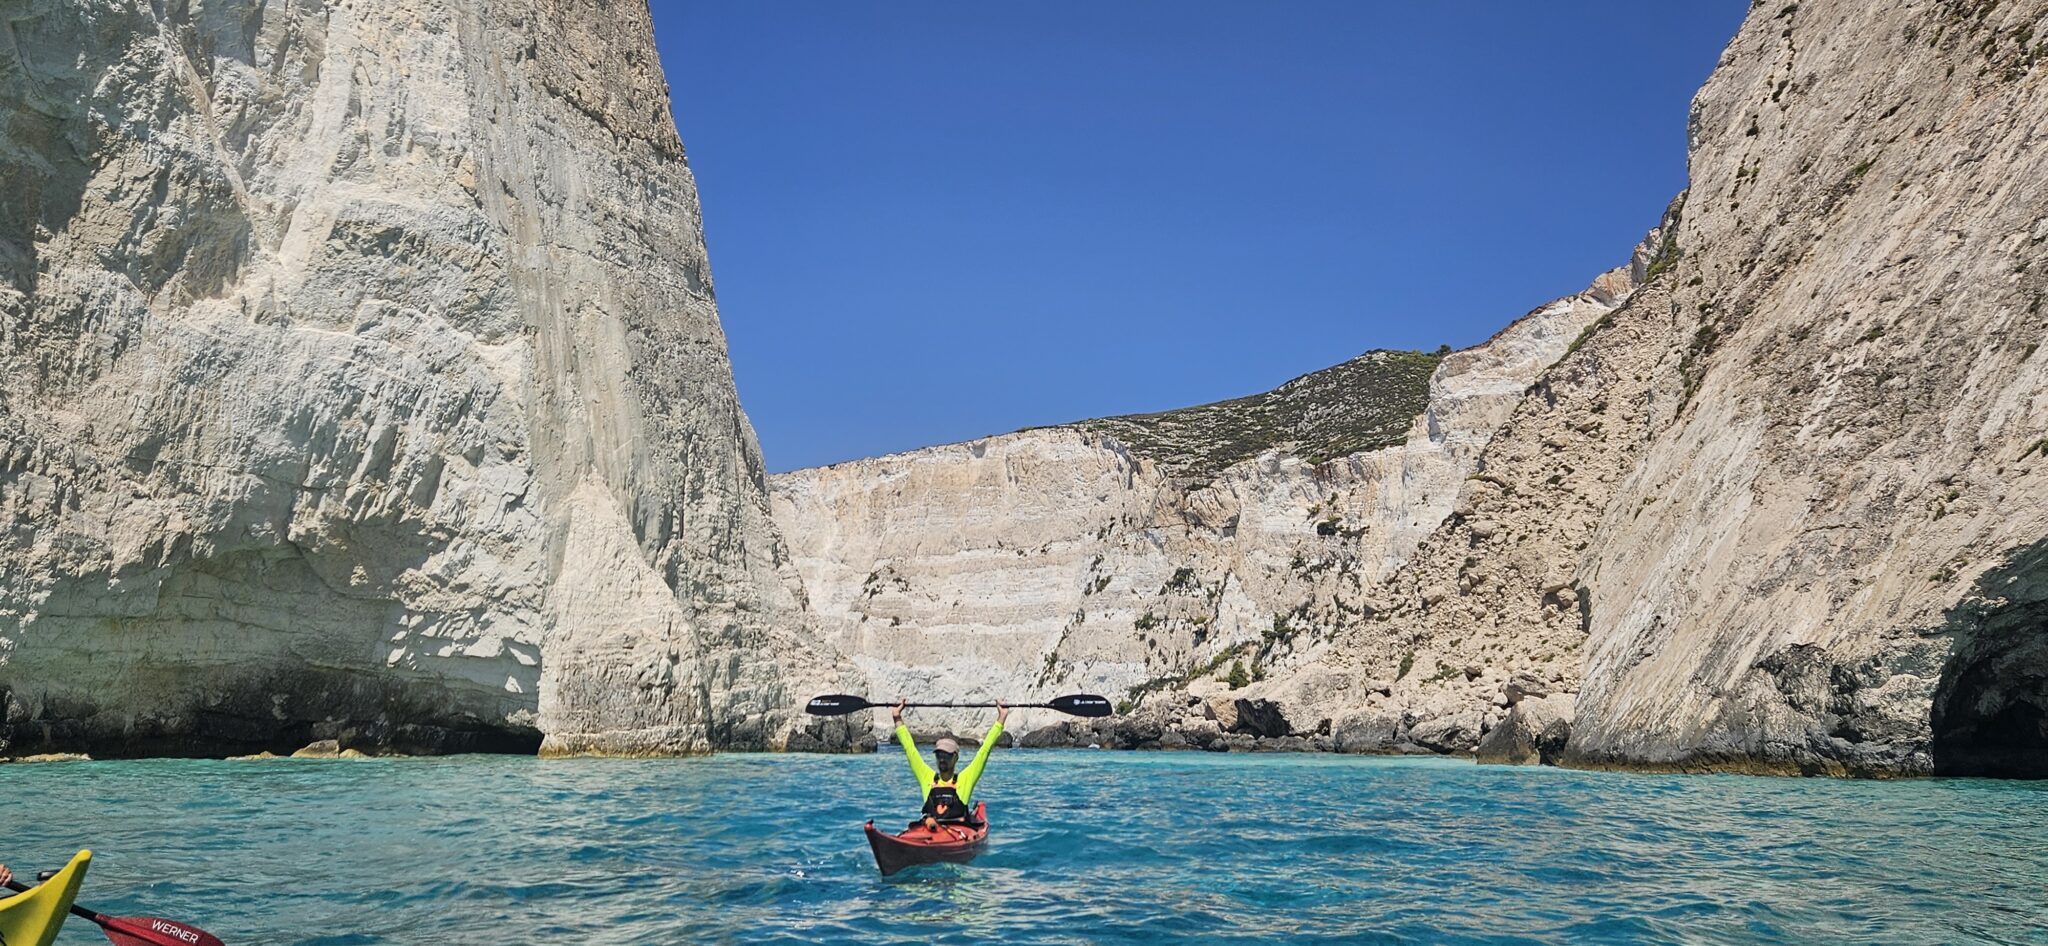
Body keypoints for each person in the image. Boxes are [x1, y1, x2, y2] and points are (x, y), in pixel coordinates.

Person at [892, 697, 1007, 835]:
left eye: (947, 755)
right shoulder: (927, 777)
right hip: (931, 830)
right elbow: (909, 749)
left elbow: (985, 751)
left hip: (958, 833)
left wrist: (1002, 717)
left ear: (956, 758)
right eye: (939, 755)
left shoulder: (965, 779)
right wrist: (897, 717)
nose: (942, 759)